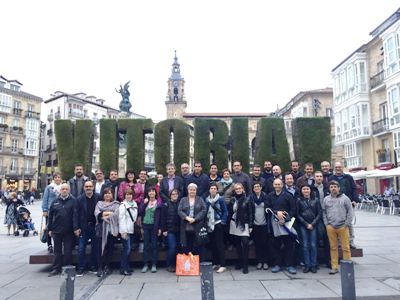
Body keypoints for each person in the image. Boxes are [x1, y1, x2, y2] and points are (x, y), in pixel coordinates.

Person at [267, 178, 297, 275]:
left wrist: (285, 218)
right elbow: (267, 208)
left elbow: (293, 209)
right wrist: (277, 212)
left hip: (286, 223)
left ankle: (289, 265)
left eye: (279, 184)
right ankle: (277, 264)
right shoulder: (270, 196)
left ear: (282, 185)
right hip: (274, 223)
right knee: (276, 245)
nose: (277, 186)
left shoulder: (288, 196)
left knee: (289, 245)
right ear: (273, 185)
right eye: (275, 184)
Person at [323, 180, 354, 275]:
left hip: (343, 226)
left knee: (346, 248)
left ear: (339, 188)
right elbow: (324, 212)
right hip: (331, 227)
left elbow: (350, 211)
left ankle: (347, 267)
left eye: (335, 187)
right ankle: (334, 267)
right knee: (333, 248)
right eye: (331, 187)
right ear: (329, 189)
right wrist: (326, 224)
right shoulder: (326, 199)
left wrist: (347, 224)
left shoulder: (345, 198)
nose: (333, 188)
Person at [73, 180, 101, 276]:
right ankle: (81, 267)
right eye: (86, 186)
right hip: (83, 227)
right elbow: (75, 214)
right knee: (81, 248)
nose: (88, 188)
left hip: (95, 227)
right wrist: (76, 228)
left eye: (90, 186)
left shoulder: (98, 197)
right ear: (84, 188)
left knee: (95, 248)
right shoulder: (79, 199)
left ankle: (93, 266)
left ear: (93, 187)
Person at [47, 184, 75, 277]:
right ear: (60, 190)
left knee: (67, 251)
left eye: (66, 189)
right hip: (57, 230)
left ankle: (67, 268)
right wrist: (49, 228)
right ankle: (56, 268)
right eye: (63, 189)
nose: (64, 191)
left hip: (69, 231)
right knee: (57, 251)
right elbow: (50, 216)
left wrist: (75, 228)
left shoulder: (73, 201)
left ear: (69, 190)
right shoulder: (55, 202)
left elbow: (75, 216)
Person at [329, 162, 358, 248]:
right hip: (336, 202)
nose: (338, 168)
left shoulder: (349, 177)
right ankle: (339, 242)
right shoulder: (331, 178)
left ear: (342, 168)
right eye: (336, 167)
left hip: (348, 202)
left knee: (349, 223)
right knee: (337, 221)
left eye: (339, 167)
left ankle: (351, 241)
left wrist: (355, 200)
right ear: (334, 168)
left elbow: (354, 189)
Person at [95, 187, 120, 277]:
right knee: (100, 249)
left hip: (111, 229)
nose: (107, 195)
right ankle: (100, 267)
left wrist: (104, 214)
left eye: (109, 193)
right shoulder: (99, 203)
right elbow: (97, 213)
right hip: (100, 229)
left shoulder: (116, 204)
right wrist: (107, 214)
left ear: (112, 194)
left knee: (110, 248)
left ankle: (107, 266)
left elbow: (116, 214)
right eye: (106, 193)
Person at [229, 183, 253, 274]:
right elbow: (230, 211)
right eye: (236, 189)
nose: (238, 190)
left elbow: (250, 212)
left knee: (245, 244)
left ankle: (245, 265)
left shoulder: (247, 199)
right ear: (234, 190)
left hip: (244, 223)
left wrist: (250, 225)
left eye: (240, 188)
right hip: (234, 223)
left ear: (243, 189)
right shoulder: (232, 199)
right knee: (237, 244)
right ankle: (240, 261)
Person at [296, 184, 322, 273]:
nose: (306, 191)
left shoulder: (316, 200)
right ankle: (307, 264)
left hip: (313, 225)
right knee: (305, 245)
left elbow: (319, 213)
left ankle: (313, 264)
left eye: (307, 189)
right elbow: (297, 214)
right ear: (301, 191)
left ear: (310, 190)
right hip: (303, 225)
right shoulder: (299, 200)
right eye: (304, 189)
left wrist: (313, 224)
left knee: (313, 245)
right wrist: (306, 224)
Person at [178, 183, 207, 258]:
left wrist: (195, 219)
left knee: (198, 245)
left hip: (197, 225)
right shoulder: (183, 199)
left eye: (194, 190)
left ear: (196, 190)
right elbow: (179, 211)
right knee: (186, 245)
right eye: (190, 190)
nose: (192, 191)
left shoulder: (200, 199)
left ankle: (198, 264)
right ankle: (188, 265)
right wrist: (187, 218)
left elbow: (204, 210)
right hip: (186, 226)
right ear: (188, 190)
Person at [205, 183, 228, 273]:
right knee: (213, 245)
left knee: (220, 245)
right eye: (212, 188)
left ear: (217, 190)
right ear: (209, 190)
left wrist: (223, 222)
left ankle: (223, 265)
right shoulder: (206, 200)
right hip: (210, 224)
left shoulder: (221, 199)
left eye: (215, 188)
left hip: (218, 223)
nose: (213, 190)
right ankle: (215, 263)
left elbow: (225, 211)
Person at [139, 186, 162, 273]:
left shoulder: (159, 203)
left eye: (153, 191)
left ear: (155, 193)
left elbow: (160, 217)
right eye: (149, 191)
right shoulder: (145, 201)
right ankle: (145, 264)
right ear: (147, 193)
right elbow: (140, 212)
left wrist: (160, 228)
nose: (151, 193)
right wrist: (144, 203)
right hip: (145, 226)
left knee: (154, 246)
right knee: (145, 246)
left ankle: (154, 264)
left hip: (154, 226)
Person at [249, 182, 270, 270]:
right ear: (253, 189)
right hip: (255, 224)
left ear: (261, 188)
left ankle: (265, 262)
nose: (257, 188)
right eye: (255, 187)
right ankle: (259, 261)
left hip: (264, 224)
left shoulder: (266, 197)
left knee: (265, 244)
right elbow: (250, 212)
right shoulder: (251, 198)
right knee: (257, 244)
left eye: (258, 186)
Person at [119, 188, 138, 275]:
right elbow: (121, 219)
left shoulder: (134, 204)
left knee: (128, 249)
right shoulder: (123, 205)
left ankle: (127, 267)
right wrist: (123, 231)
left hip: (131, 230)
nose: (129, 196)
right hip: (125, 230)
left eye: (130, 194)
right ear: (124, 196)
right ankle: (123, 268)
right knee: (127, 249)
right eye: (127, 194)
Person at [161, 189, 181, 272]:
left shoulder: (181, 203)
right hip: (169, 230)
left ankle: (178, 265)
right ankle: (170, 264)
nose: (174, 195)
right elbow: (163, 218)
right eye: (173, 194)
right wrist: (164, 229)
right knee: (172, 247)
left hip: (179, 230)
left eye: (176, 194)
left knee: (178, 248)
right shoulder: (166, 205)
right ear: (170, 195)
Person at [42, 173, 62, 253]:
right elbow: (45, 198)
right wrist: (45, 210)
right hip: (50, 211)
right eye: (56, 177)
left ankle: (59, 244)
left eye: (59, 177)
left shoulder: (63, 187)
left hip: (60, 211)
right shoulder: (49, 187)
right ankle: (49, 244)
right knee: (49, 227)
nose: (57, 179)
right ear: (53, 179)